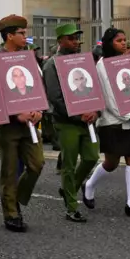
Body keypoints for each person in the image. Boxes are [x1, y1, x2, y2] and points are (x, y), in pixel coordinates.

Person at [81, 28, 130, 218]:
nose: (123, 43)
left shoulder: (129, 61)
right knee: (111, 162)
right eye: (119, 40)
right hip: (111, 120)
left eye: (125, 40)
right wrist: (129, 115)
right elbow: (108, 97)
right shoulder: (102, 65)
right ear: (110, 43)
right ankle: (89, 184)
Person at [41, 23, 102, 222]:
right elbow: (56, 98)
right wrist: (78, 115)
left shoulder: (84, 61)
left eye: (77, 39)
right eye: (71, 38)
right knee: (68, 163)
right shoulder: (51, 64)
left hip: (88, 120)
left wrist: (95, 110)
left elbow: (95, 87)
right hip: (67, 122)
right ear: (60, 41)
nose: (75, 42)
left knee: (92, 157)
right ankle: (71, 207)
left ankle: (69, 189)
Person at [0, 14, 44, 234]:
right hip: (8, 127)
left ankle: (16, 199)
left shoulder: (29, 59)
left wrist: (39, 110)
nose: (26, 36)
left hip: (31, 123)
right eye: (21, 33)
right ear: (9, 36)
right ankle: (11, 213)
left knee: (37, 164)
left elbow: (37, 87)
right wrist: (15, 114)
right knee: (10, 170)